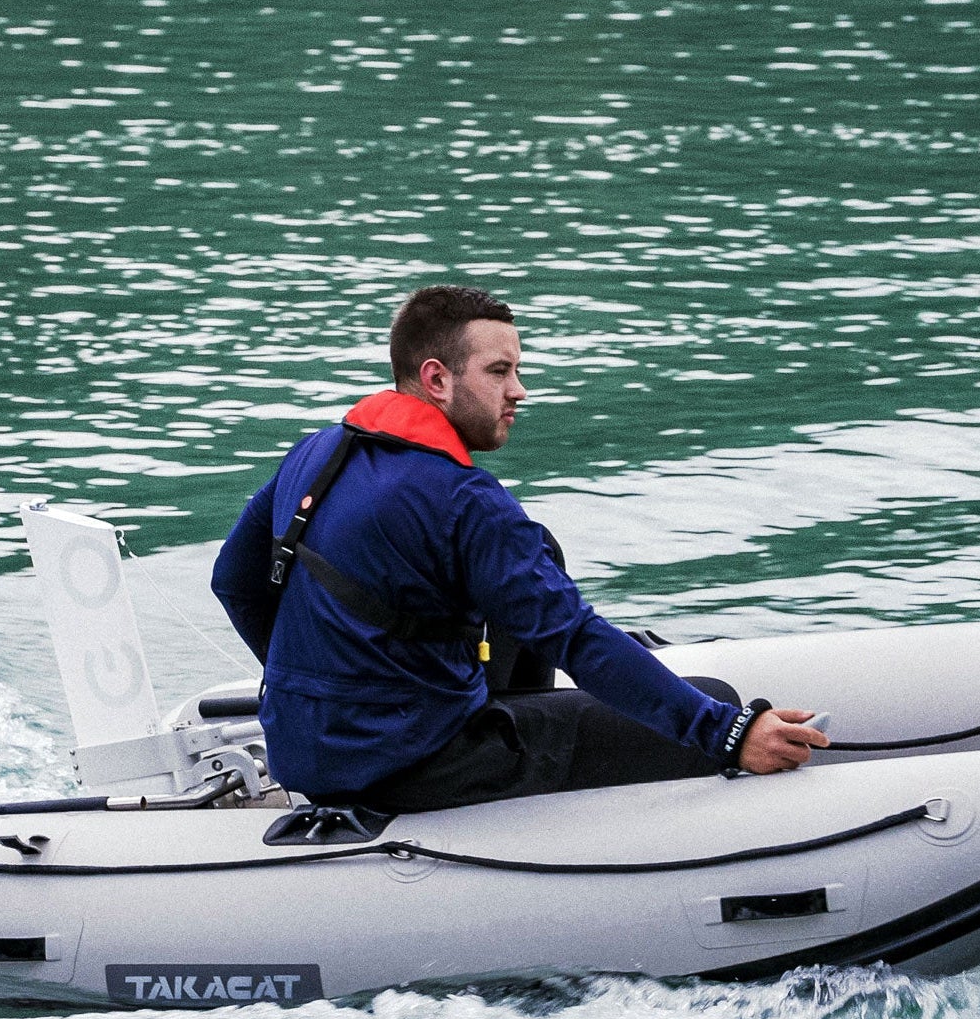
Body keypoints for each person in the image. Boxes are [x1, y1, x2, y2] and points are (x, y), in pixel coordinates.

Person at [211, 285, 828, 811]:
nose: (520, 390)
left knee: (542, 553)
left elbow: (235, 581)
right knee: (716, 698)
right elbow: (578, 640)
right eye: (499, 371)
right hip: (410, 761)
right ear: (437, 380)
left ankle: (504, 720)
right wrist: (728, 735)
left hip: (302, 745)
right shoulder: (464, 499)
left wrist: (324, 681)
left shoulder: (314, 453)